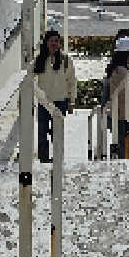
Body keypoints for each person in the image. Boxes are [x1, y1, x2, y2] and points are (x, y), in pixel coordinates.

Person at [34, 28, 76, 163]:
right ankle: (44, 159)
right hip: (44, 102)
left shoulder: (66, 60)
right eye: (51, 41)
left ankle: (58, 158)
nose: (54, 43)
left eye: (56, 41)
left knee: (57, 133)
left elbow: (72, 81)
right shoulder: (39, 60)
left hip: (60, 102)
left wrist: (72, 101)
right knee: (42, 132)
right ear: (46, 42)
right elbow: (30, 80)